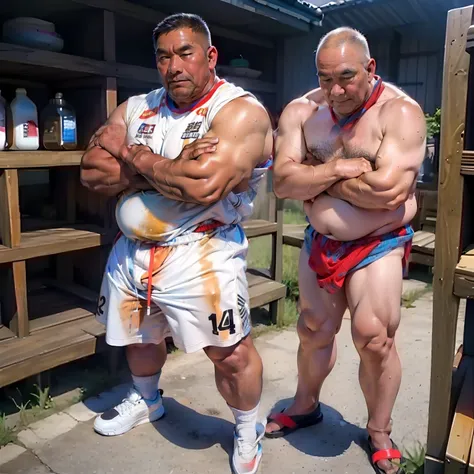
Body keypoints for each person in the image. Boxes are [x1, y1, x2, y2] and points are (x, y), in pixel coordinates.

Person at [80, 13, 273, 474]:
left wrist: (131, 155)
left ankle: (248, 427)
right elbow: (91, 170)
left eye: (185, 53)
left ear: (210, 56)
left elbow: (203, 185)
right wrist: (169, 167)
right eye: (163, 56)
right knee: (141, 338)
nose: (173, 66)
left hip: (203, 253)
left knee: (230, 354)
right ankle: (148, 401)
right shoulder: (137, 107)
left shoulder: (239, 110)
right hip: (133, 254)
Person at [266, 27, 426, 474]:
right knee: (313, 329)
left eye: (346, 77)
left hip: (378, 244)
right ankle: (304, 405)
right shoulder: (303, 110)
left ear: (370, 69)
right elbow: (281, 182)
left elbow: (388, 190)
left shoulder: (401, 113)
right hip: (322, 242)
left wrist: (314, 177)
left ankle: (378, 429)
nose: (335, 90)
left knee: (374, 338)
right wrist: (339, 167)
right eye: (325, 78)